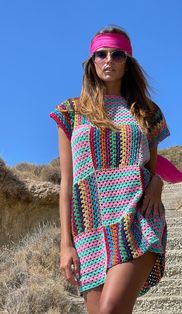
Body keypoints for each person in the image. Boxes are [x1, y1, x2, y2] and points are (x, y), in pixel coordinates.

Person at [49, 25, 170, 314]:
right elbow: (68, 181)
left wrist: (159, 182)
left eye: (117, 54)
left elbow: (153, 169)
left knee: (111, 309)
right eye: (101, 54)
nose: (109, 60)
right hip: (88, 226)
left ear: (128, 62)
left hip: (136, 220)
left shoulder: (146, 111)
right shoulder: (71, 111)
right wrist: (66, 244)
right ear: (91, 61)